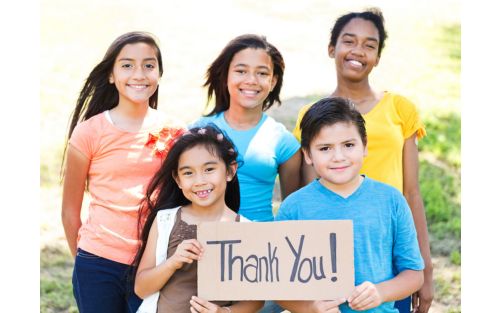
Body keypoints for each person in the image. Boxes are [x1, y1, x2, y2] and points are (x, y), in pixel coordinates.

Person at [291, 8, 433, 313]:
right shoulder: (311, 116)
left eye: (370, 45)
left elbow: (412, 193)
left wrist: (427, 272)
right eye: (349, 41)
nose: (358, 50)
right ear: (332, 48)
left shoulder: (400, 108)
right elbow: (306, 195)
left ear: (378, 56)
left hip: (386, 254)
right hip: (330, 267)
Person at [61, 31, 184, 313]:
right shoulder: (89, 132)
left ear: (159, 74)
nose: (139, 74)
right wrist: (83, 261)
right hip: (97, 262)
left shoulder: (176, 132)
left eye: (149, 65)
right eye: (127, 65)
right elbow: (70, 211)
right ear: (111, 75)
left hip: (154, 263)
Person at [276, 97, 424, 313]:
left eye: (348, 145)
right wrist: (311, 307)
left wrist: (380, 292)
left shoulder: (391, 200)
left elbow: (413, 274)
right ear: (308, 154)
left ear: (364, 146)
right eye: (325, 148)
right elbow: (279, 286)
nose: (338, 157)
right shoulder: (293, 208)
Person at [132, 125, 263, 313]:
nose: (199, 180)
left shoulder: (247, 230)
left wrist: (223, 312)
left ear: (230, 171)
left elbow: (255, 300)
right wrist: (173, 262)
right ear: (177, 180)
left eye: (209, 169)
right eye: (188, 173)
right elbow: (141, 288)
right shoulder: (166, 220)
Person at [192, 34, 301, 223]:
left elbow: (293, 210)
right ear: (226, 75)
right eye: (241, 71)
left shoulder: (283, 141)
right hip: (205, 240)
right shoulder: (198, 131)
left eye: (262, 73)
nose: (251, 80)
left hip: (260, 244)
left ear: (273, 81)